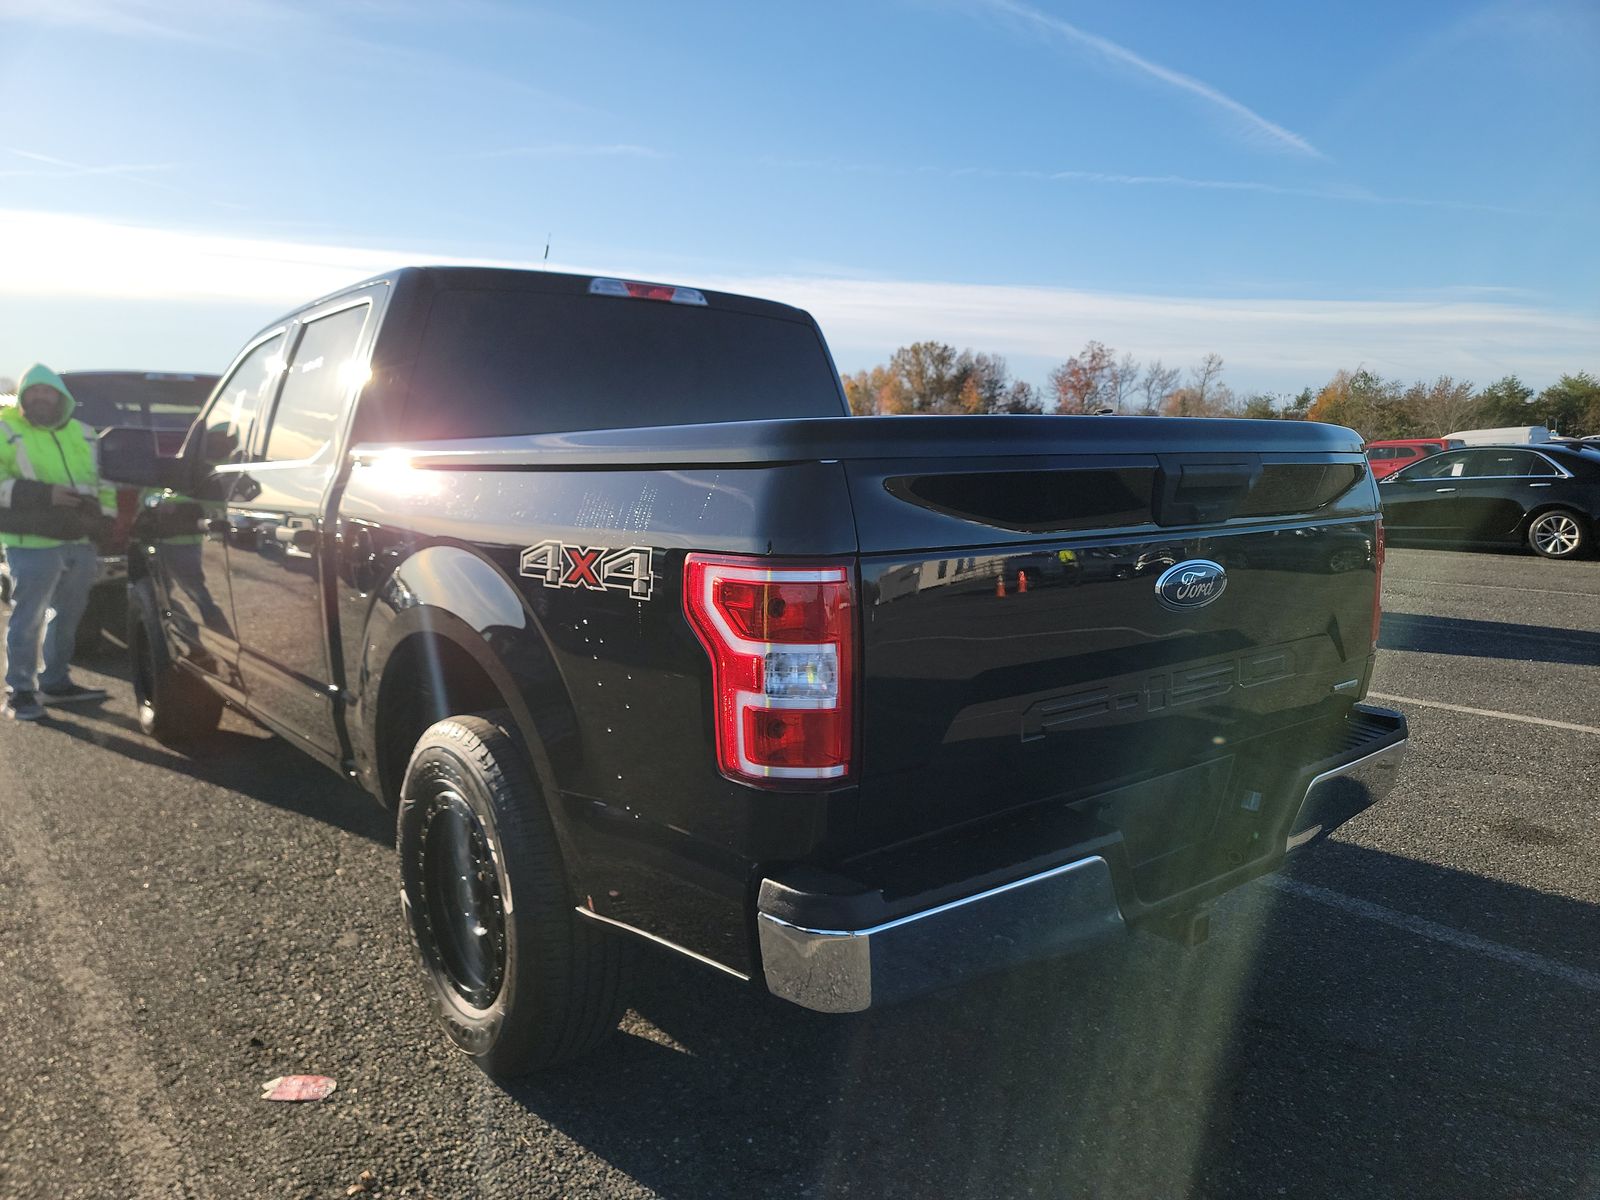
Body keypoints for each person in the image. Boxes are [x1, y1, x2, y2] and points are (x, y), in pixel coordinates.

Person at [0, 364, 115, 721]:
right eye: (32, 391)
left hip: (80, 538)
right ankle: (19, 691)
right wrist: (43, 493)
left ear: (61, 397)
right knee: (29, 616)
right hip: (29, 540)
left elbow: (103, 480)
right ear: (22, 397)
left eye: (47, 391)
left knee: (69, 615)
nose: (40, 397)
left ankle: (55, 682)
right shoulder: (5, 429)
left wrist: (106, 520)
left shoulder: (84, 432)